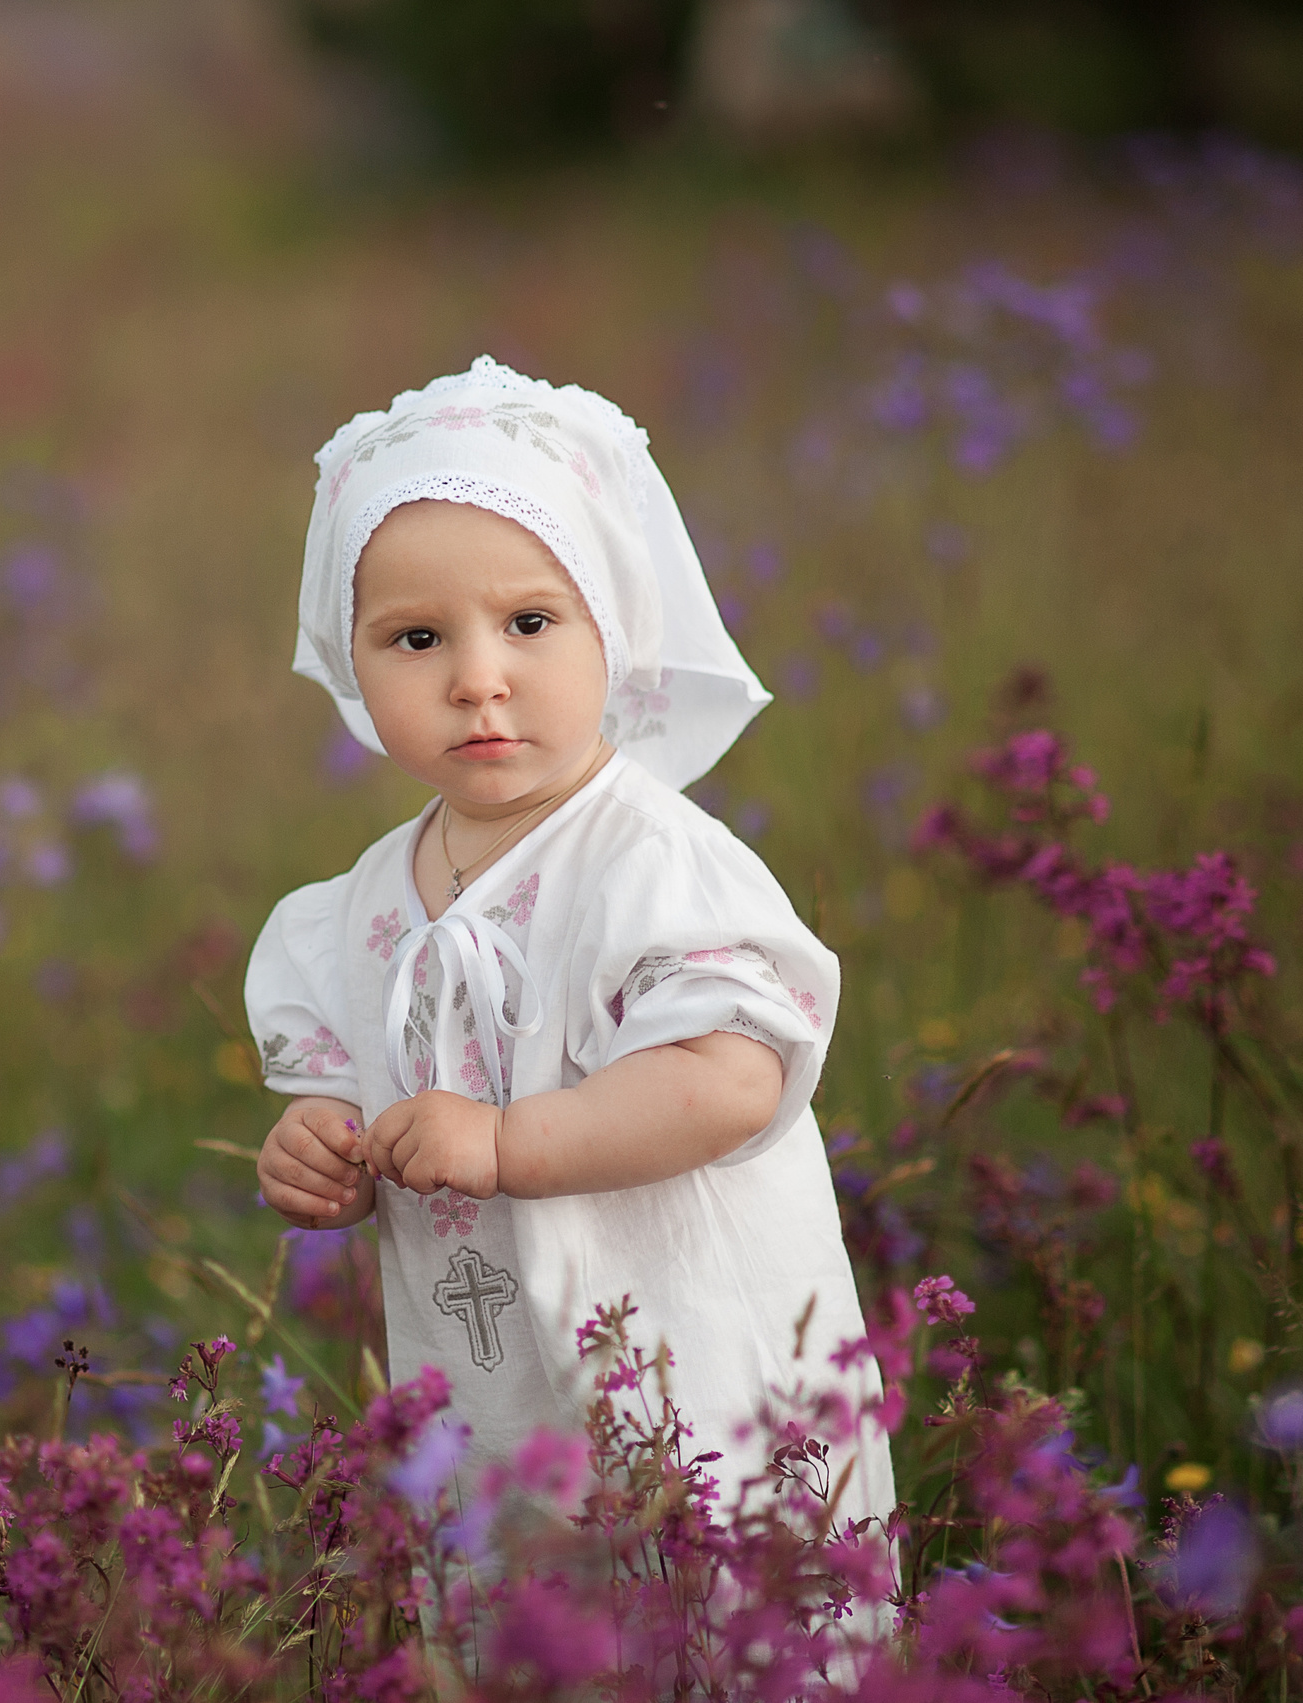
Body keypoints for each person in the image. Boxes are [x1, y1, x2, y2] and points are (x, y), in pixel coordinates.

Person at [247, 356, 892, 1535]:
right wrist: (316, 1146)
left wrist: (503, 1140)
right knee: (536, 1634)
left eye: (530, 622)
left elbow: (729, 1079)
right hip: (493, 1400)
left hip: (691, 1371)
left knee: (714, 1618)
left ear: (614, 627)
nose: (476, 678)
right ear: (352, 659)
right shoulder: (352, 910)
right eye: (414, 637)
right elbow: (342, 1084)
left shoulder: (650, 863)